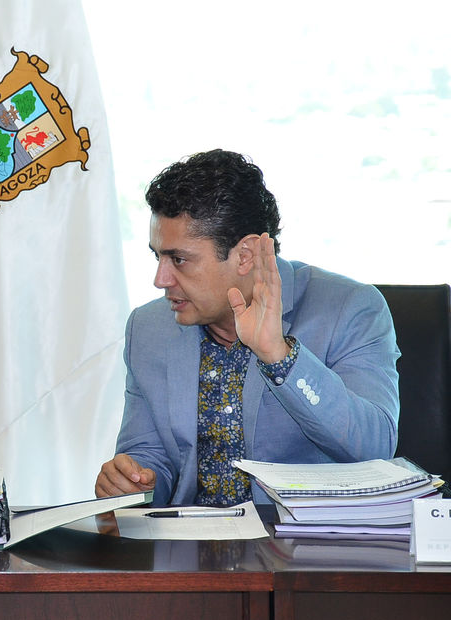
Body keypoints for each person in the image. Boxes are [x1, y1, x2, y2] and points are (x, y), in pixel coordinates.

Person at [95, 149, 399, 507]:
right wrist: (134, 481)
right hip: (188, 538)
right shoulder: (148, 328)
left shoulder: (350, 309)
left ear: (245, 256)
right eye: (157, 256)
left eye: (178, 259)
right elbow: (148, 454)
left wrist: (280, 357)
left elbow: (374, 448)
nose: (161, 280)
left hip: (300, 538)